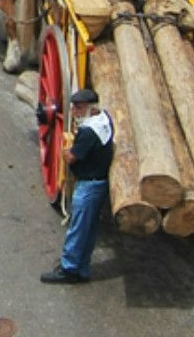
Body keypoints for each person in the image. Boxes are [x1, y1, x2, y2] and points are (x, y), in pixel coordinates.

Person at [40, 89, 113, 284]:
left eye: (79, 108)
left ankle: (69, 268)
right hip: (100, 183)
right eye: (73, 107)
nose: (74, 111)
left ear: (92, 108)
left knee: (78, 228)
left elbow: (71, 157)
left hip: (88, 186)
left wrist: (66, 151)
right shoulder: (105, 120)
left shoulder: (88, 131)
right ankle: (82, 268)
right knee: (88, 229)